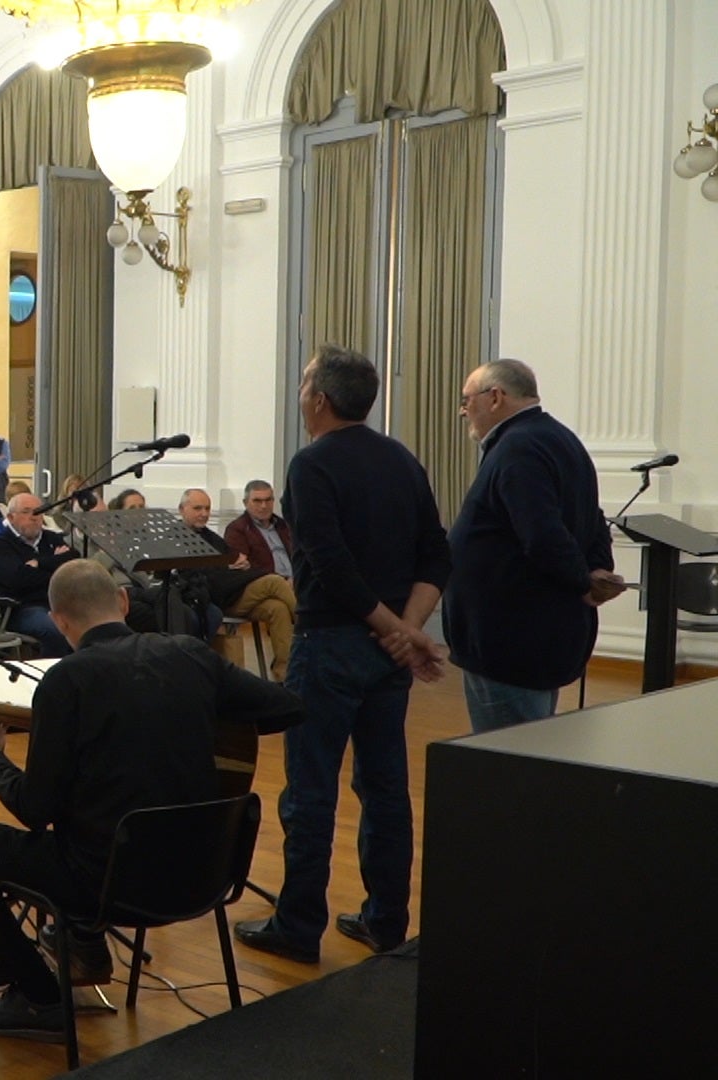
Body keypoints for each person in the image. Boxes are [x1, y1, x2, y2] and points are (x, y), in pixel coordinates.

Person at [0, 559, 303, 1040]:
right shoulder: (191, 653)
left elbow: (35, 812)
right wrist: (209, 719)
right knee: (99, 807)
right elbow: (287, 705)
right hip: (203, 873)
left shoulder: (67, 681)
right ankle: (80, 943)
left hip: (109, 886)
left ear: (58, 621)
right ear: (122, 603)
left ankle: (39, 996)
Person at [236, 345, 452, 964]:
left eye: (305, 386)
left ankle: (298, 925)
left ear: (320, 400)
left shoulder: (312, 464)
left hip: (329, 645)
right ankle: (386, 920)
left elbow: (330, 567)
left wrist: (395, 629)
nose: (301, 396)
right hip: (386, 659)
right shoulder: (402, 460)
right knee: (385, 788)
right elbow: (437, 553)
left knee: (310, 790)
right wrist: (406, 631)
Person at [443, 359, 620, 732]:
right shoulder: (560, 439)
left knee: (508, 762)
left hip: (511, 639)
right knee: (528, 748)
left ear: (495, 397)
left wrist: (584, 582)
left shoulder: (518, 449)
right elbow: (593, 519)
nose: (463, 411)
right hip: (534, 635)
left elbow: (542, 535)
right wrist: (595, 569)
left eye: (467, 400)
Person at [177, 488, 296, 681]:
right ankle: (308, 626)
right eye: (198, 508)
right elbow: (198, 574)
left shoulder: (210, 536)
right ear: (182, 509)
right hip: (215, 598)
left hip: (233, 590)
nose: (204, 514)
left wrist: (237, 564)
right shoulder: (176, 537)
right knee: (274, 582)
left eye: (207, 508)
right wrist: (228, 565)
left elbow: (234, 560)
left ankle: (286, 675)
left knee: (278, 608)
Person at [0, 493, 83, 658]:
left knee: (95, 626)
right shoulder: (2, 544)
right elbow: (17, 579)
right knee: (56, 629)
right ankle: (51, 678)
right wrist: (55, 564)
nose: (34, 516)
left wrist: (39, 564)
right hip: (22, 608)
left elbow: (73, 562)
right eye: (26, 511)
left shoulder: (51, 538)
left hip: (60, 604)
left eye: (38, 511)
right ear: (11, 517)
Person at [224, 480, 296, 582]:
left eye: (268, 500)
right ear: (245, 503)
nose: (264, 506)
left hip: (295, 580)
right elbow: (242, 568)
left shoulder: (284, 526)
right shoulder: (237, 529)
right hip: (265, 583)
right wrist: (283, 580)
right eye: (257, 501)